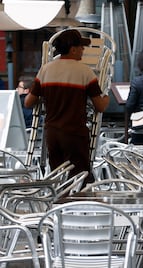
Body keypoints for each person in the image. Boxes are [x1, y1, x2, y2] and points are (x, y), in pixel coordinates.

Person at [24, 29, 110, 188]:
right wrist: (107, 96)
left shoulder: (45, 70)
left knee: (58, 180)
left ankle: (59, 209)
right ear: (73, 49)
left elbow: (28, 102)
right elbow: (100, 106)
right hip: (74, 135)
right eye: (81, 47)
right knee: (78, 181)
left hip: (52, 134)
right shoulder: (85, 72)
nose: (83, 50)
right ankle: (75, 210)